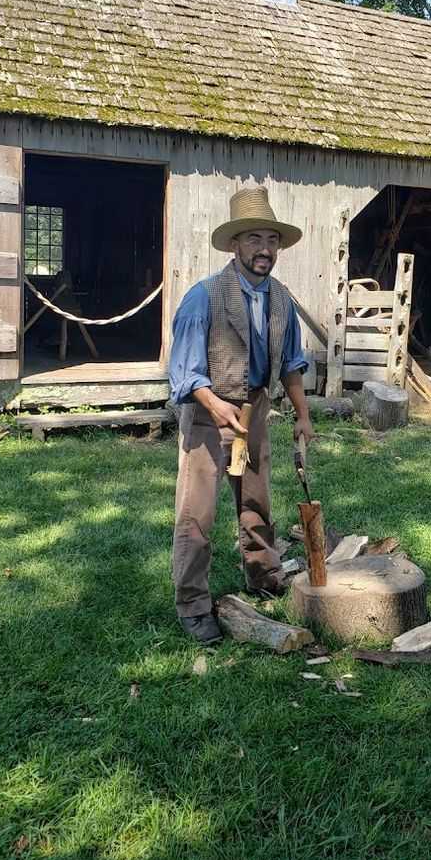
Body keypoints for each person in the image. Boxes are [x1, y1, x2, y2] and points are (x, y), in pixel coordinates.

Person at [168, 185, 315, 644]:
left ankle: (263, 575)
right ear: (235, 245)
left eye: (271, 240)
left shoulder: (281, 300)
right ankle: (193, 604)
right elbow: (185, 375)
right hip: (208, 414)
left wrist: (303, 415)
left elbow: (291, 362)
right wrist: (218, 408)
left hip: (256, 410)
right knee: (198, 513)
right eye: (254, 239)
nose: (264, 250)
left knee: (256, 501)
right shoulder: (203, 297)